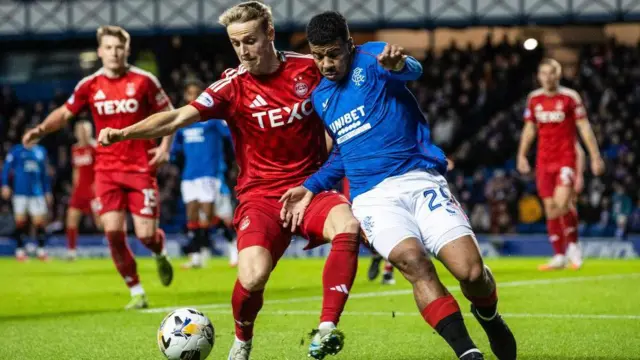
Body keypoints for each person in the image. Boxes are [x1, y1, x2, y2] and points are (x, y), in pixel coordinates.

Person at [96, 3, 360, 359]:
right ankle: (242, 338)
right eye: (236, 44)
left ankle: (327, 327)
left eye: (250, 40)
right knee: (252, 277)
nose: (243, 51)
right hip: (261, 196)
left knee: (348, 225)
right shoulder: (231, 87)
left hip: (311, 188)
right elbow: (175, 118)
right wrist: (124, 132)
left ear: (270, 33)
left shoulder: (308, 69)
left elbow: (355, 71)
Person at [279, 11, 516, 360]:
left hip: (419, 178)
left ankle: (489, 315)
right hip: (372, 198)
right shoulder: (321, 98)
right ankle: (468, 352)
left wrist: (398, 65)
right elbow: (346, 151)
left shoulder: (373, 57)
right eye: (318, 55)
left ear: (349, 44)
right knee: (412, 262)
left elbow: (413, 70)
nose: (326, 63)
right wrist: (311, 186)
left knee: (470, 271)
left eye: (333, 53)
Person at [22, 25, 175, 309]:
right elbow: (66, 113)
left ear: (126, 50)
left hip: (141, 167)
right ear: (100, 51)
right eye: (108, 48)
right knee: (113, 233)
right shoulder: (89, 85)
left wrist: (165, 148)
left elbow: (169, 116)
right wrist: (41, 129)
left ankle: (159, 250)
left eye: (119, 48)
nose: (114, 53)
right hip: (106, 170)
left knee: (145, 235)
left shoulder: (144, 81)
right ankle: (136, 291)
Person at [517, 58, 605, 271]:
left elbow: (584, 128)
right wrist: (521, 155)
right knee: (550, 207)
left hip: (566, 158)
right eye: (544, 73)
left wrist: (595, 156)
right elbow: (530, 129)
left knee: (562, 201)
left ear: (559, 75)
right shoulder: (534, 99)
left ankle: (573, 246)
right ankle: (559, 255)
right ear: (539, 76)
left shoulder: (569, 97)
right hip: (543, 160)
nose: (548, 77)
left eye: (552, 73)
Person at [170, 80, 236, 269]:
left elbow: (231, 138)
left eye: (196, 93)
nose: (192, 97)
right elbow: (176, 151)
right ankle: (197, 256)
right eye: (189, 93)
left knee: (208, 215)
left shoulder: (214, 120)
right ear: (186, 96)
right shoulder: (183, 123)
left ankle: (233, 247)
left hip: (211, 173)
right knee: (192, 216)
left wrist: (231, 163)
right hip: (190, 175)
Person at [1, 141, 52, 261]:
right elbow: (6, 169)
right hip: (20, 192)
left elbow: (44, 174)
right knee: (20, 221)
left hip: (37, 192)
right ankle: (19, 251)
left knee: (39, 222)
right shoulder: (16, 151)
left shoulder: (41, 151)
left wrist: (47, 191)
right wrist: (5, 185)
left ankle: (41, 250)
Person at [66, 120, 102, 260]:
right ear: (76, 133)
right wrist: (75, 187)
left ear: (91, 132)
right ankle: (71, 252)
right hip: (79, 192)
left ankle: (116, 246)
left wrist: (99, 189)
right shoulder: (75, 149)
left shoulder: (96, 148)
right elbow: (76, 170)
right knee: (71, 219)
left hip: (94, 192)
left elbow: (101, 170)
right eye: (81, 131)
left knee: (101, 223)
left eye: (86, 131)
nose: (83, 134)